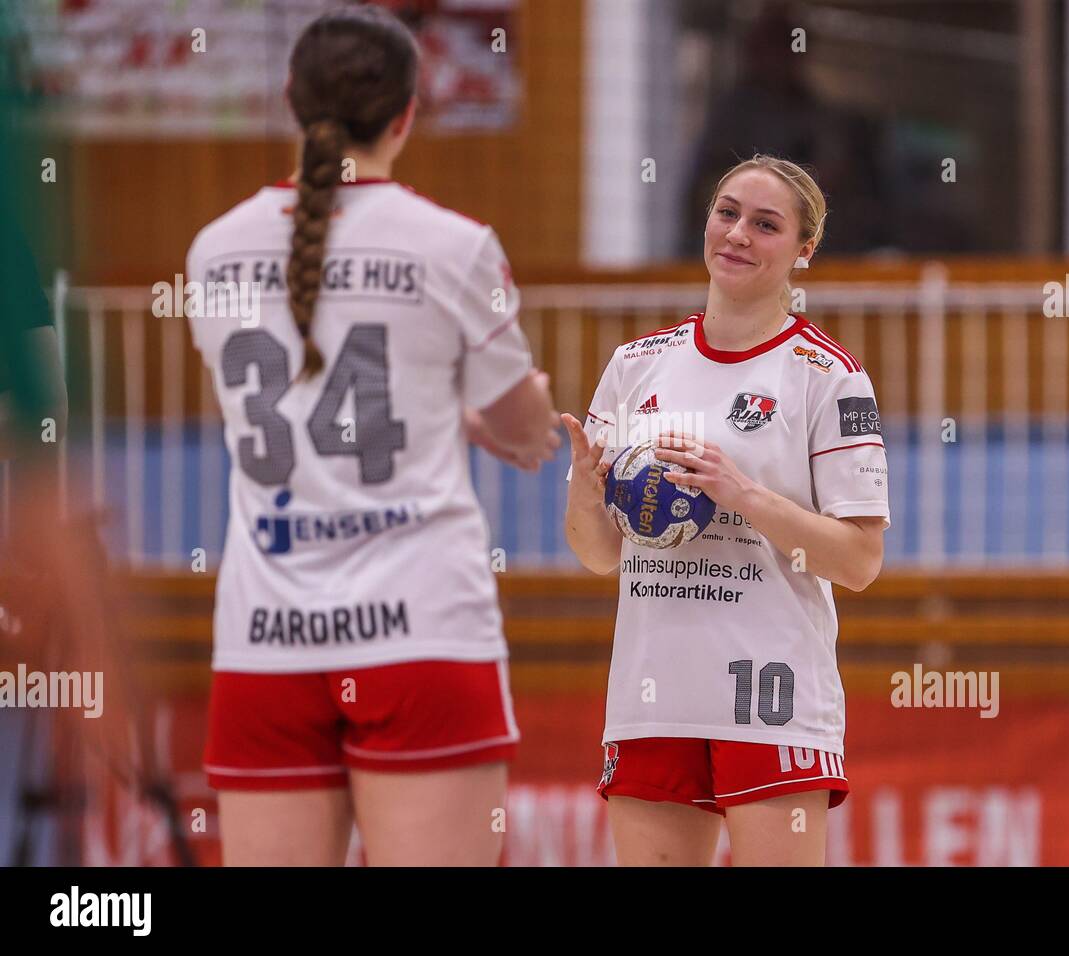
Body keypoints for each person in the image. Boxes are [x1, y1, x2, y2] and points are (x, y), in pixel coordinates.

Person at [186, 6, 558, 866]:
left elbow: (293, 399)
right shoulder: (455, 247)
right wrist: (500, 416)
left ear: (290, 99)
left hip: (266, 641)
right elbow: (520, 423)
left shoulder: (211, 252)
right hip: (421, 633)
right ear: (407, 113)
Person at [562, 154, 889, 866]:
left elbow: (860, 561)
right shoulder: (636, 364)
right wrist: (585, 491)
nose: (738, 234)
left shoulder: (827, 376)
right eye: (727, 212)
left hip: (769, 694)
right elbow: (599, 555)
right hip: (654, 691)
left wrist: (743, 495)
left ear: (804, 250)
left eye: (766, 224)